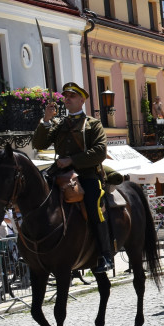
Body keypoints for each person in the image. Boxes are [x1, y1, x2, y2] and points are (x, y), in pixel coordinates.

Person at [33, 82, 113, 273]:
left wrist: (71, 160)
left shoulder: (92, 124)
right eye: (65, 96)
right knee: (38, 200)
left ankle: (105, 255)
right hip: (59, 174)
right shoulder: (59, 123)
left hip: (86, 175)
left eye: (72, 96)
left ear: (82, 100)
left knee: (94, 207)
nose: (67, 99)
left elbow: (100, 151)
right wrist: (45, 120)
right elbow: (39, 143)